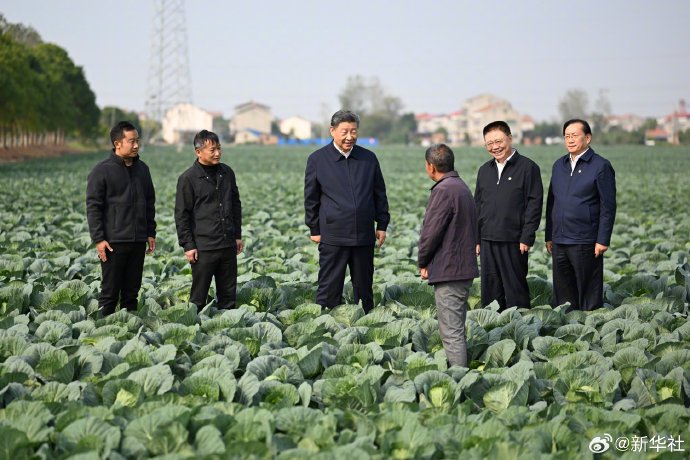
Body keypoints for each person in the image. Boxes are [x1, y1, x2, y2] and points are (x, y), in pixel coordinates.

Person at [304, 110, 390, 312]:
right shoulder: (318, 159)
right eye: (344, 131)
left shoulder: (368, 158)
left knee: (364, 287)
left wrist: (382, 224)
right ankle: (326, 324)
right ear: (332, 131)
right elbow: (311, 198)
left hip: (363, 234)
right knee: (329, 287)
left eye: (353, 131)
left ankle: (366, 321)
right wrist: (314, 229)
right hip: (333, 234)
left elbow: (379, 193)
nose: (349, 136)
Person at [86, 121, 156, 316]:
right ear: (118, 143)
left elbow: (149, 203)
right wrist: (99, 239)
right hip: (113, 243)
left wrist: (150, 232)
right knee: (109, 293)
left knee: (131, 294)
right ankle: (102, 332)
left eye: (137, 141)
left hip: (137, 241)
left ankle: (130, 333)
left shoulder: (143, 169)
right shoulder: (102, 171)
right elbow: (93, 207)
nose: (136, 145)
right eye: (131, 141)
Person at [545, 119, 616, 311]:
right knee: (563, 291)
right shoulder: (559, 165)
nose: (570, 140)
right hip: (560, 240)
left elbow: (608, 206)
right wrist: (549, 235)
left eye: (574, 135)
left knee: (588, 291)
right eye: (567, 136)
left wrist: (602, 239)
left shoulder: (600, 166)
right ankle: (567, 325)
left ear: (588, 138)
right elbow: (552, 201)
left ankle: (591, 325)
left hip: (585, 239)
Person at [418, 144, 478, 367]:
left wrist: (423, 261)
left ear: (430, 167)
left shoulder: (443, 190)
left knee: (451, 333)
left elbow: (430, 232)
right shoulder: (461, 187)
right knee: (456, 329)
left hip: (449, 270)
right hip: (462, 268)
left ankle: (459, 381)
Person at [474, 121, 543, 310]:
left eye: (498, 141)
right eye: (489, 144)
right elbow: (478, 205)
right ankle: (493, 331)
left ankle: (520, 327)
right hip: (487, 240)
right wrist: (476, 238)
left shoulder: (528, 168)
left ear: (510, 138)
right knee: (490, 290)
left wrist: (527, 236)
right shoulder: (484, 170)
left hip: (514, 240)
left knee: (515, 290)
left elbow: (534, 205)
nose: (495, 147)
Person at [175, 130, 243, 310]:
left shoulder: (227, 173)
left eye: (219, 148)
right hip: (204, 246)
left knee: (228, 296)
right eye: (212, 150)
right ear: (198, 152)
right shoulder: (188, 178)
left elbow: (235, 204)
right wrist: (188, 245)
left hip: (227, 243)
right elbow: (182, 215)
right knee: (198, 297)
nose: (218, 153)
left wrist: (237, 235)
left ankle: (227, 328)